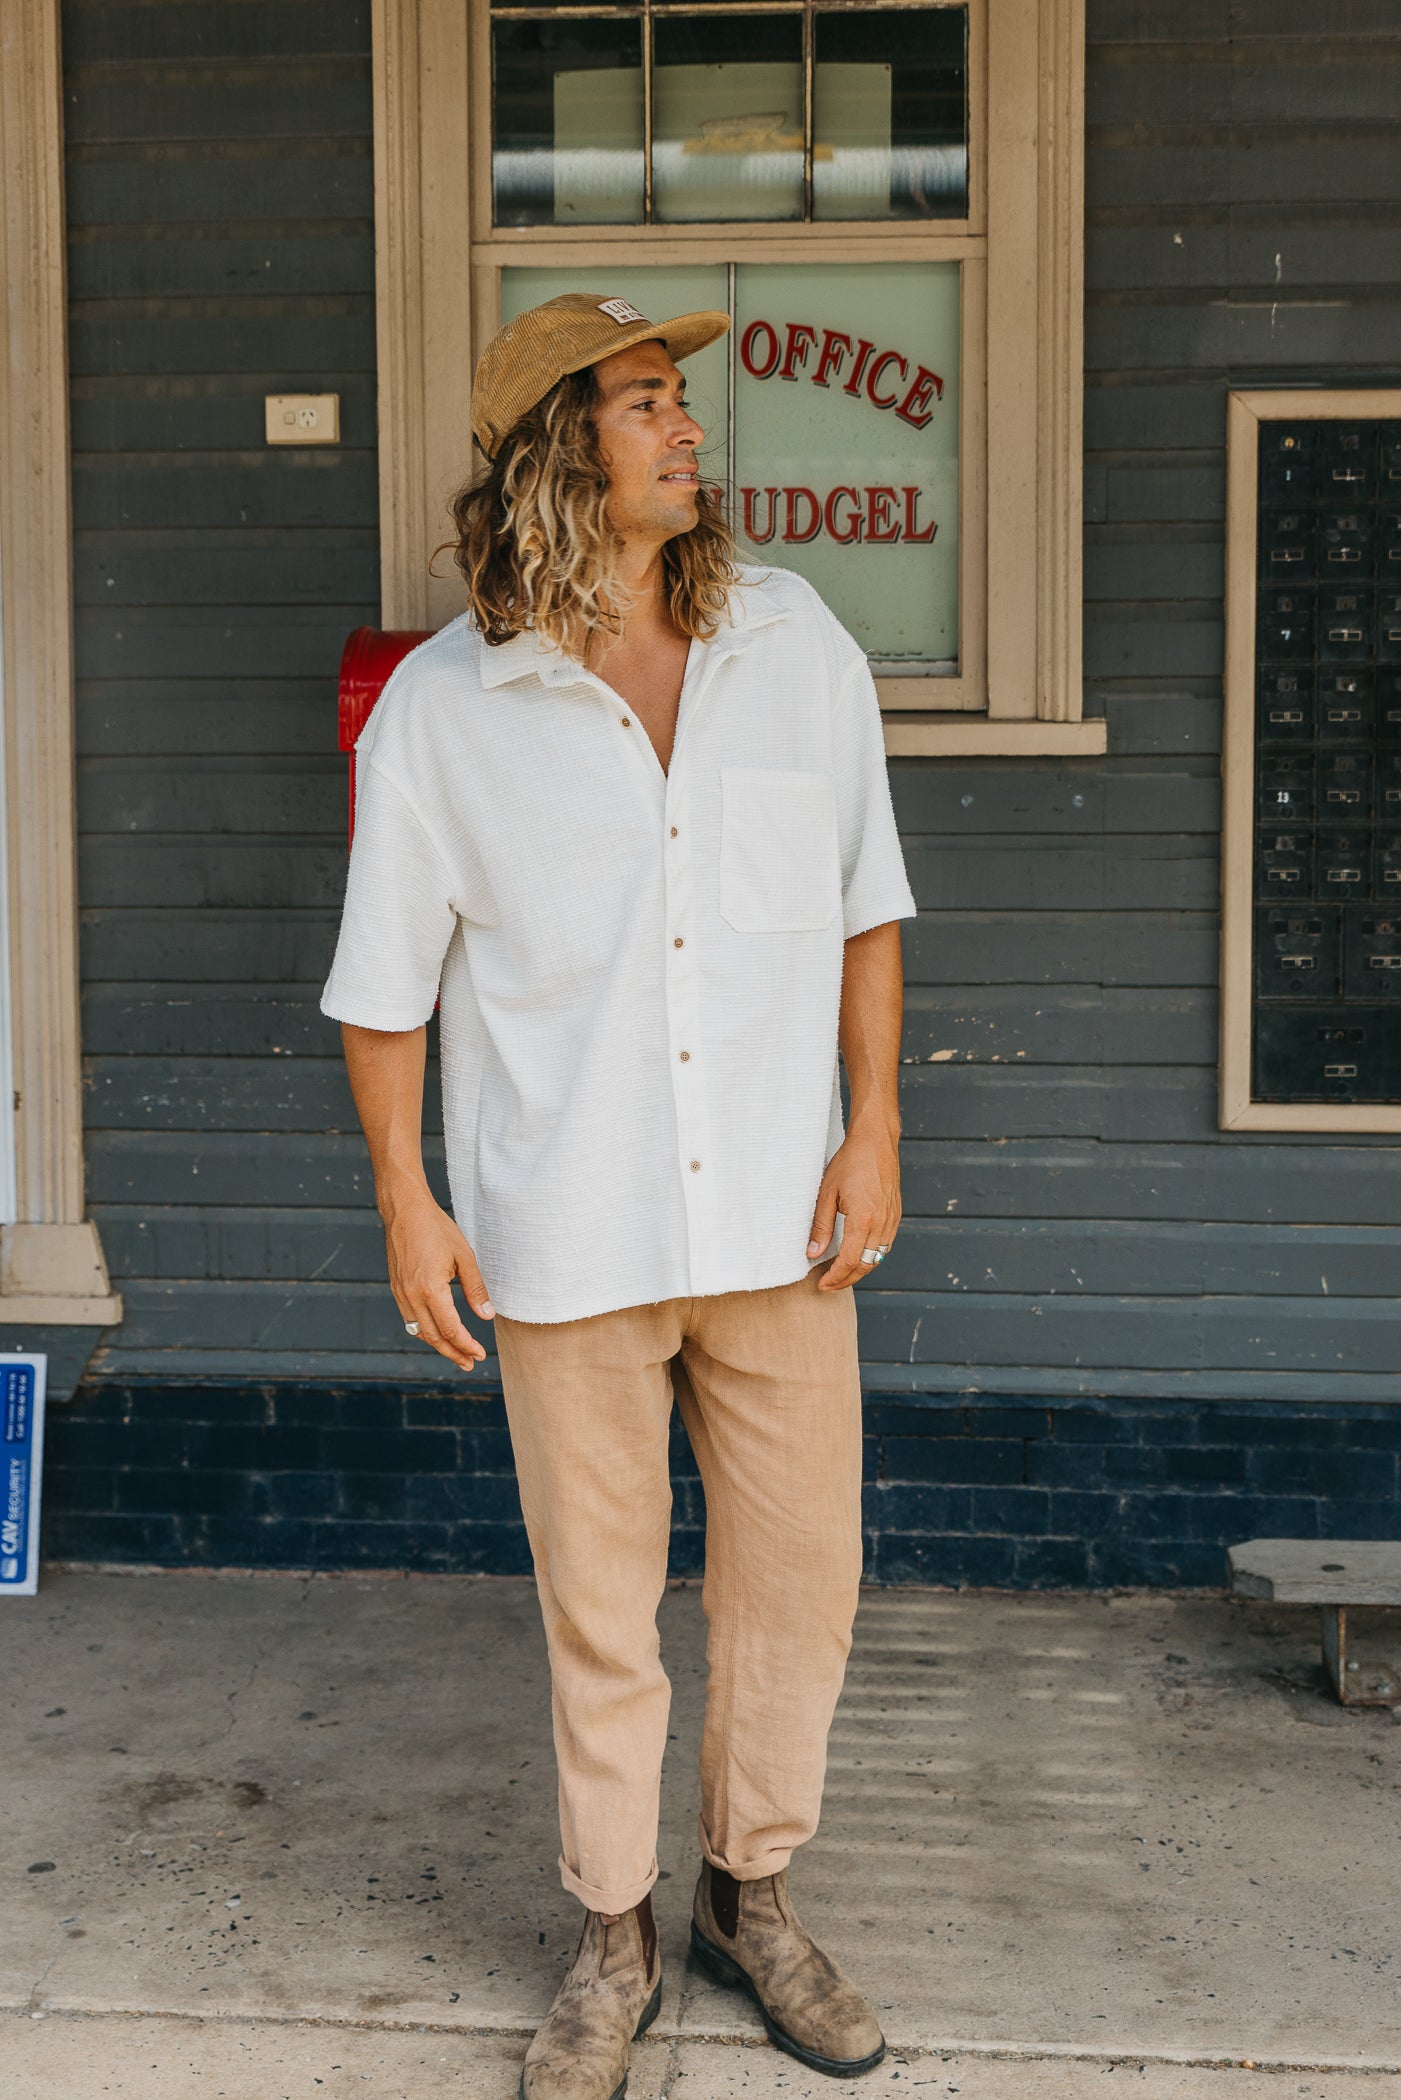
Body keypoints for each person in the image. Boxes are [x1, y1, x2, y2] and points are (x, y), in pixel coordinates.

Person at [321, 292, 918, 2100]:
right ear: (554, 450)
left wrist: (873, 1126)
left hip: (774, 1228)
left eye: (681, 400)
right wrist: (407, 1206)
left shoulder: (793, 642)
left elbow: (864, 903)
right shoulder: (442, 707)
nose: (687, 428)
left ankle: (754, 1895)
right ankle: (611, 1932)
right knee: (601, 1606)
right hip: (562, 1233)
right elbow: (382, 990)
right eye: (647, 401)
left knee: (797, 1587)